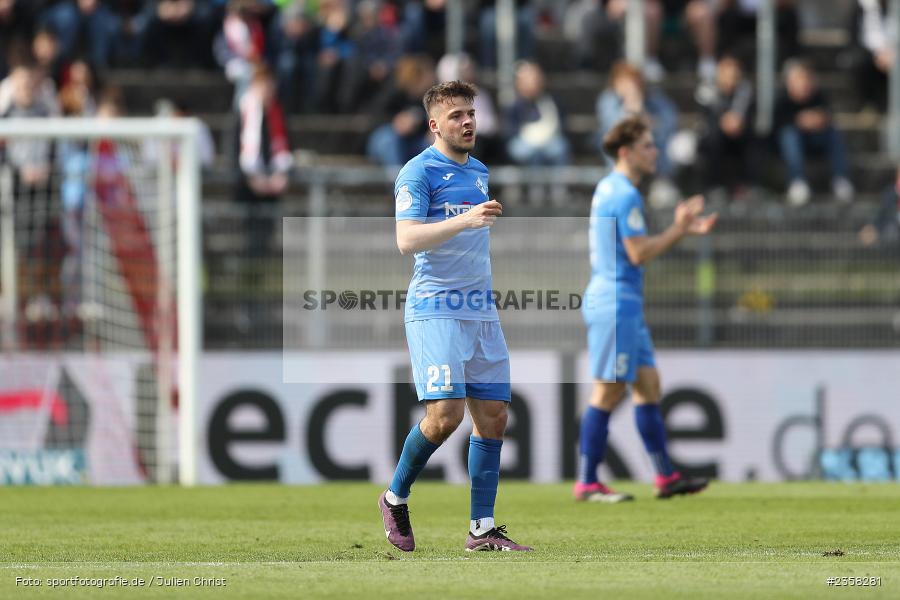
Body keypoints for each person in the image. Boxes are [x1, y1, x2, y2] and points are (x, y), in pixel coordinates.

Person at [380, 80, 532, 553]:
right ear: (433, 125)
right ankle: (394, 497)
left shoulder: (481, 170)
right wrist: (464, 220)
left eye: (470, 113)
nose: (467, 122)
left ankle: (482, 529)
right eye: (456, 116)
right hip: (436, 307)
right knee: (444, 416)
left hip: (480, 310)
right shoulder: (417, 173)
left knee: (493, 415)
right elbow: (406, 240)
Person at [576, 115, 716, 503]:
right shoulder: (623, 193)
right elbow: (637, 253)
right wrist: (679, 230)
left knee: (648, 384)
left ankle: (665, 476)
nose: (655, 152)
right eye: (648, 146)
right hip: (616, 301)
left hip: (621, 301)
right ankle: (587, 481)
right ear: (626, 152)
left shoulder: (609, 188)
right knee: (608, 391)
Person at [774, 59, 854, 206]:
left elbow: (827, 115)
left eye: (806, 78)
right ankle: (797, 182)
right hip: (793, 145)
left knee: (834, 134)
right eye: (799, 78)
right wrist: (799, 121)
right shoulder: (782, 99)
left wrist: (817, 119)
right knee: (789, 135)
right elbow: (778, 125)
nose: (803, 83)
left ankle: (841, 180)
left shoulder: (819, 96)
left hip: (816, 139)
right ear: (790, 82)